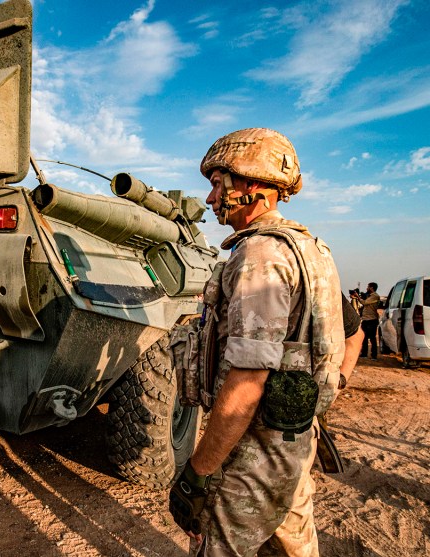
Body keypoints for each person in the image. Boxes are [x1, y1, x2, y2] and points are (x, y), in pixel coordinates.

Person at [168, 128, 345, 556]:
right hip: (292, 447)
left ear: (248, 183)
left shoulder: (260, 255)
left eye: (216, 184)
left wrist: (199, 470)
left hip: (252, 457)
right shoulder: (312, 250)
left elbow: (248, 378)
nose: (210, 199)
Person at [359, 282, 381, 359]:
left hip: (372, 319)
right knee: (364, 337)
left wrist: (358, 297)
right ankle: (364, 353)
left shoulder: (375, 296)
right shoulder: (369, 296)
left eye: (368, 287)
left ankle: (374, 355)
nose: (367, 288)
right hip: (365, 319)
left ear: (372, 288)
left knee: (372, 338)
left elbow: (365, 302)